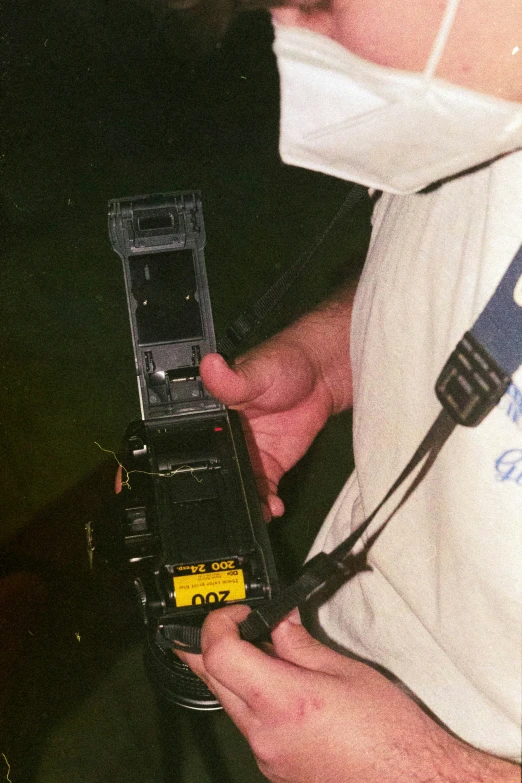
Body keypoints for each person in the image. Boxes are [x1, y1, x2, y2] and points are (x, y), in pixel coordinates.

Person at [174, 0, 522, 779]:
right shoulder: (485, 68)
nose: (293, 48)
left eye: (321, 2)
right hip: (340, 676)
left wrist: (420, 769)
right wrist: (330, 358)